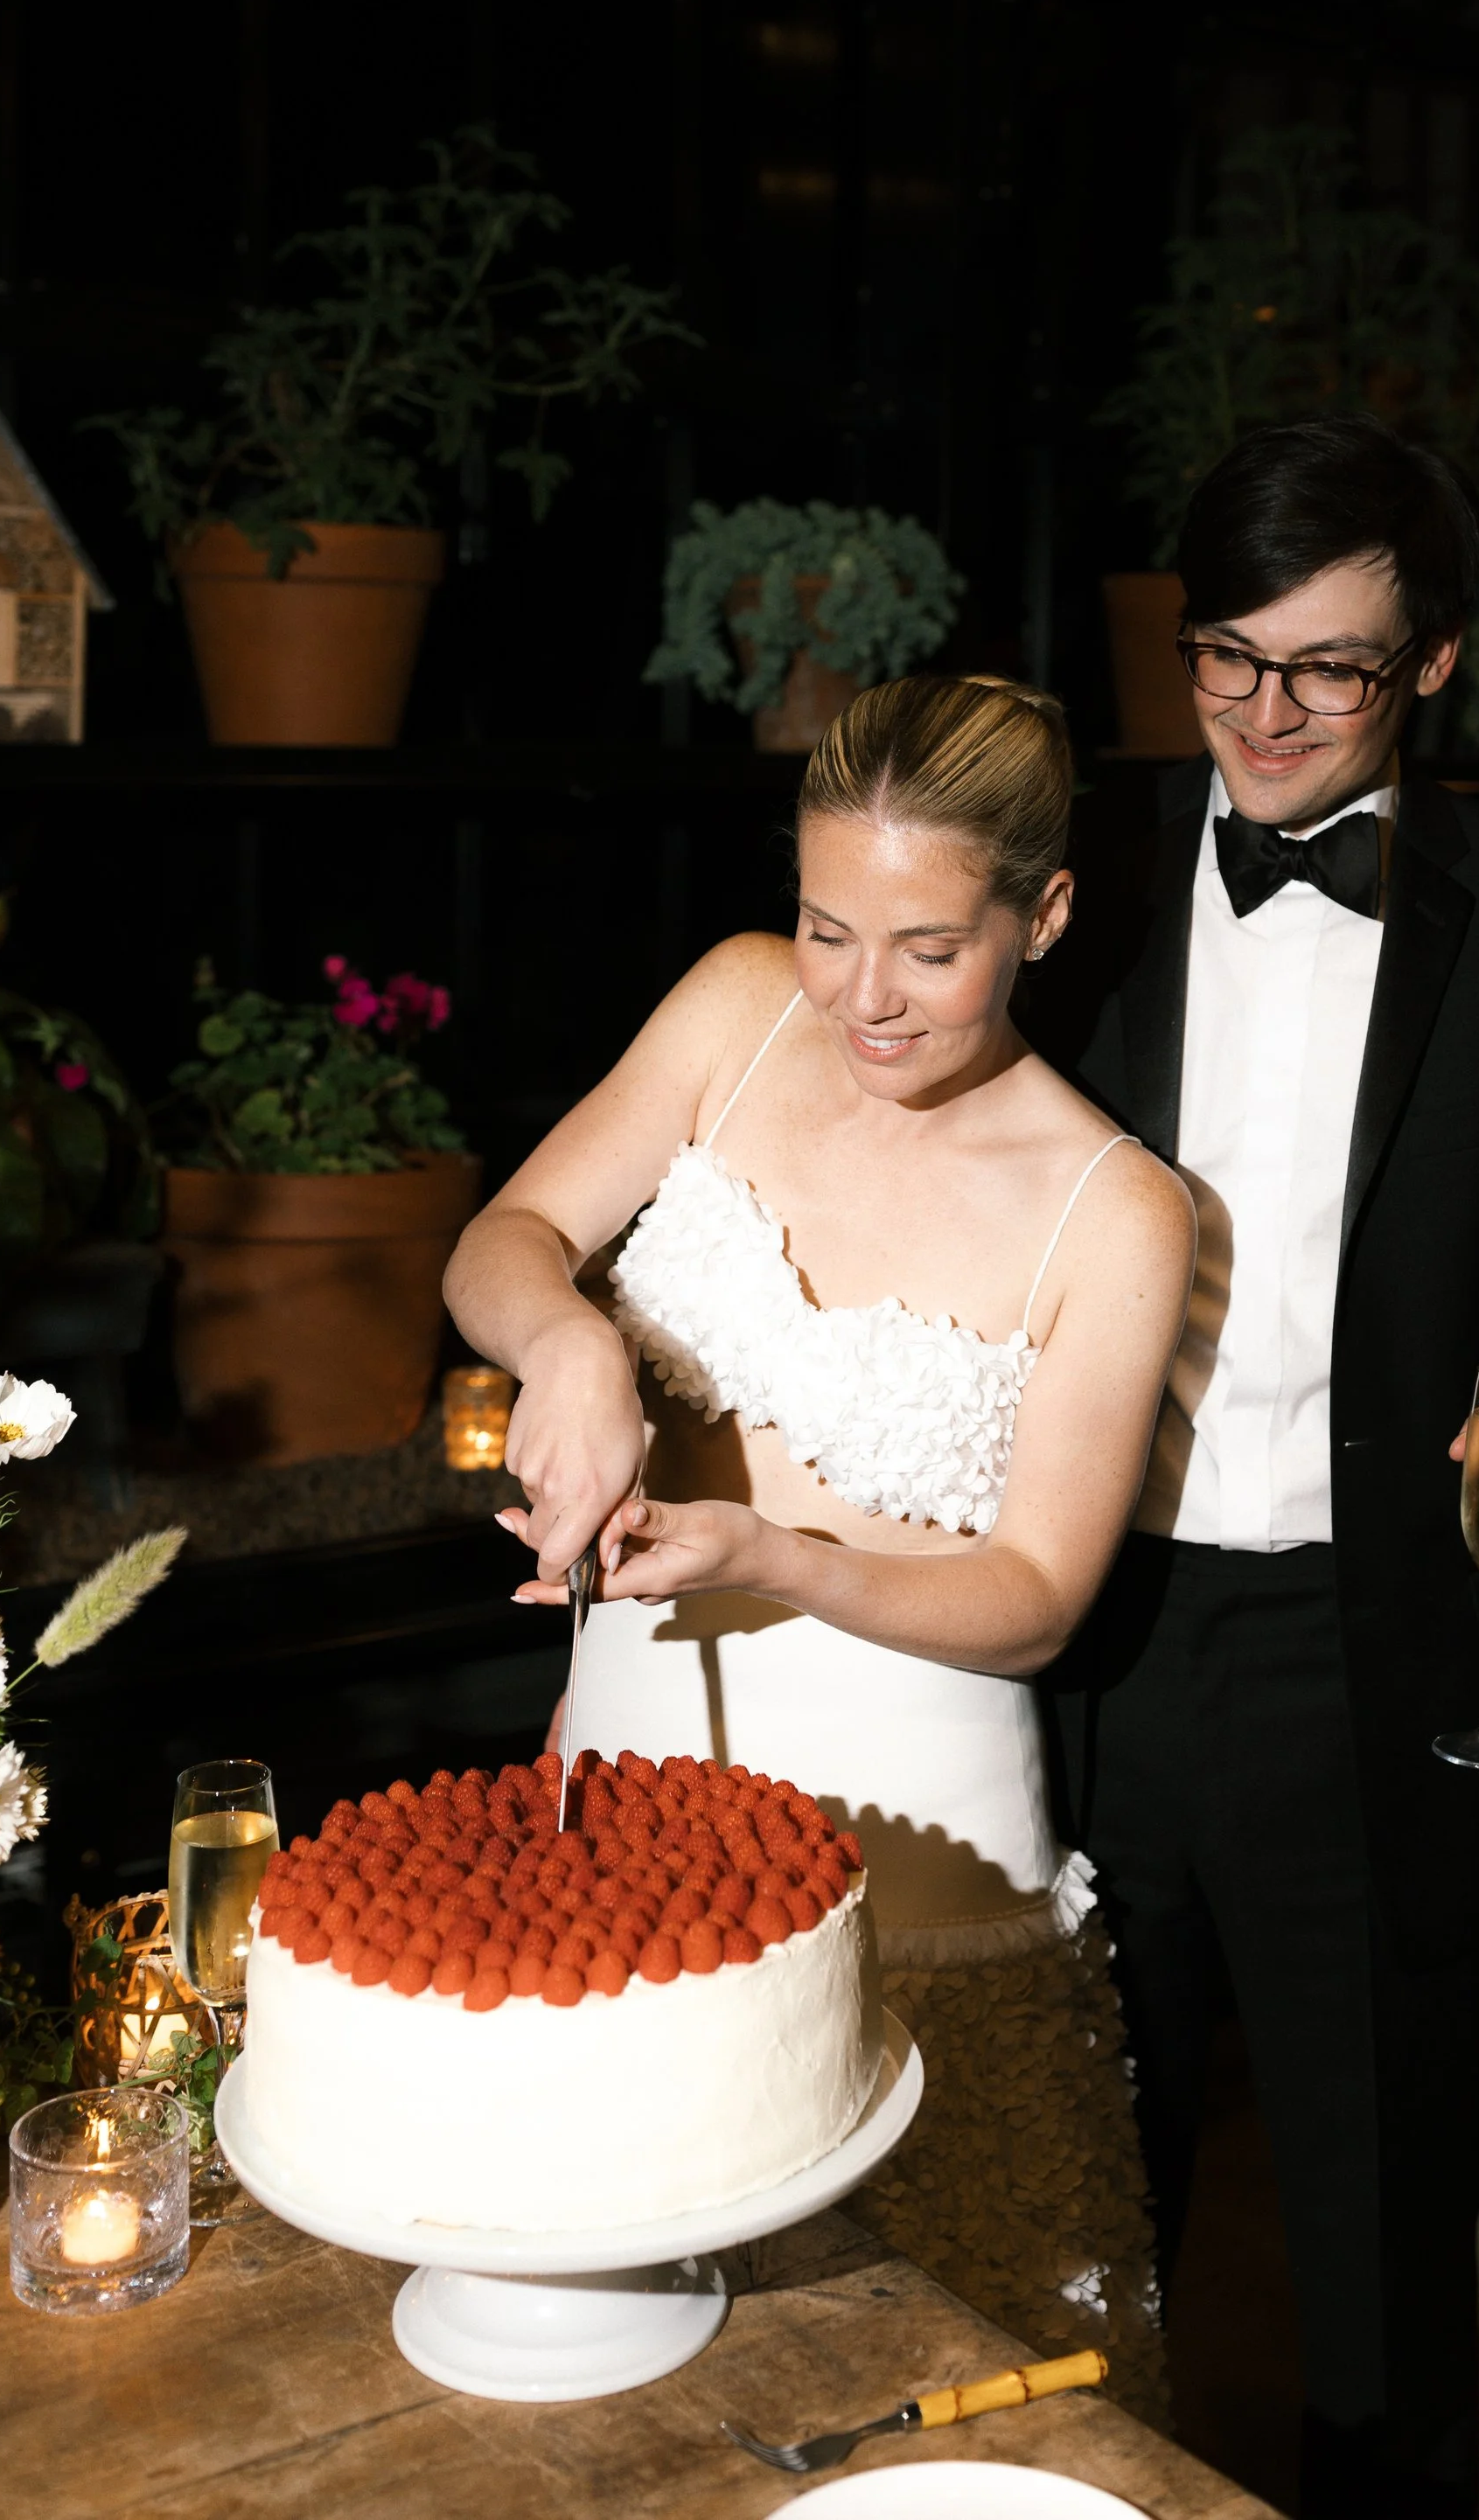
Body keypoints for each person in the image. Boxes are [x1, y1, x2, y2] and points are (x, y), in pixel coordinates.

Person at [1047, 414, 1479, 2518]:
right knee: (1058, 2214)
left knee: (1383, 2253)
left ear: (1430, 668)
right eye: (1221, 653)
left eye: (1323, 668)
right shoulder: (1088, 872)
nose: (1257, 712)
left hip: (1375, 1655)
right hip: (1074, 1636)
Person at [443, 674, 1195, 2391]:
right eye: (823, 926)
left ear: (1044, 917)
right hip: (627, 1780)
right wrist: (562, 1338)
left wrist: (769, 1555)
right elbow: (502, 1234)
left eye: (926, 950)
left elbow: (1034, 1603)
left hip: (920, 1861)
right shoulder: (730, 1009)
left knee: (925, 2381)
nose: (862, 996)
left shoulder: (1114, 1209)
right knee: (609, 2362)